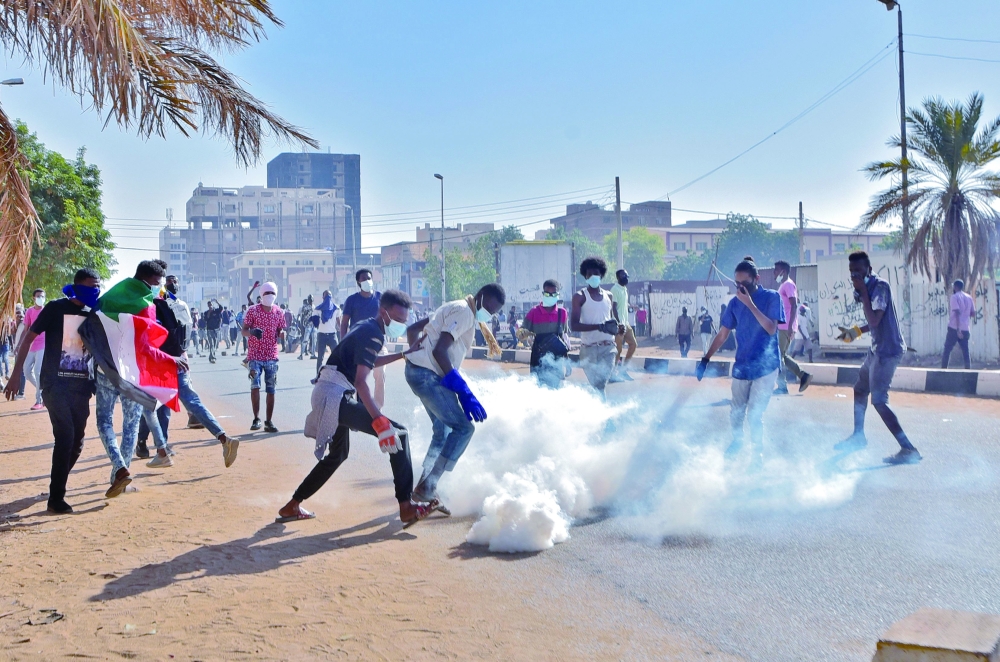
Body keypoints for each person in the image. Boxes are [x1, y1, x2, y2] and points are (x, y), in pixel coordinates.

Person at [277, 290, 438, 526]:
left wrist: (403, 354)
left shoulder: (367, 326)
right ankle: (406, 506)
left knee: (338, 454)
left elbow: (368, 362)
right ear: (384, 313)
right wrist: (379, 420)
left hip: (329, 392)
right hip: (335, 395)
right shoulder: (373, 334)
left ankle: (292, 505)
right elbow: (362, 381)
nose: (402, 324)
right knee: (399, 434)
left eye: (405, 320)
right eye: (399, 320)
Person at [4, 270, 100, 513]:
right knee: (65, 436)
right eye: (91, 286)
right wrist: (16, 375)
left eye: (98, 286)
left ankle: (58, 481)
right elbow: (28, 338)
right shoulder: (55, 308)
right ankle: (56, 498)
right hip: (54, 385)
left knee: (77, 441)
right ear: (77, 287)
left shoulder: (94, 312)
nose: (95, 290)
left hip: (82, 387)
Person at [404, 283, 505, 509]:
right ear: (479, 297)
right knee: (463, 429)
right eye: (488, 308)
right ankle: (428, 486)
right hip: (427, 377)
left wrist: (417, 357)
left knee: (442, 432)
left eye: (493, 312)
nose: (488, 314)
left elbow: (413, 330)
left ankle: (425, 488)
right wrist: (463, 390)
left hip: (420, 373)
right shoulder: (465, 312)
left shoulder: (454, 306)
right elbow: (440, 350)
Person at [136, 273, 238, 467]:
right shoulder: (181, 306)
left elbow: (150, 338)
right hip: (179, 361)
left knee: (152, 406)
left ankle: (156, 448)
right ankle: (224, 438)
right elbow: (184, 336)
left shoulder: (152, 306)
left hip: (162, 363)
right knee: (186, 403)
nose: (170, 284)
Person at [697, 258, 784, 468]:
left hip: (766, 367)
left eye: (745, 284)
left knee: (754, 414)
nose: (741, 288)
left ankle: (757, 456)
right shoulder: (735, 304)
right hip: (742, 366)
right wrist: (705, 358)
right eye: (737, 285)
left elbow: (771, 328)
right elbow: (723, 334)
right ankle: (737, 440)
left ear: (757, 279)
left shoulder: (772, 297)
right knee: (736, 412)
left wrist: (750, 304)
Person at [834, 251, 920, 465]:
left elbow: (874, 320)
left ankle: (908, 449)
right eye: (852, 272)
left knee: (879, 401)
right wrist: (854, 332)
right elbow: (873, 322)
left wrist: (863, 292)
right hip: (876, 349)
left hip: (888, 350)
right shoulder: (862, 289)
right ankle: (858, 436)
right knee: (860, 390)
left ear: (869, 270)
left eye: (859, 271)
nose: (855, 275)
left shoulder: (879, 287)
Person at [571, 257, 622, 397]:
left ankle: (602, 416)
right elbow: (573, 325)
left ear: (601, 275)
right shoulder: (579, 296)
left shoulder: (609, 296)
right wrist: (599, 327)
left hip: (609, 348)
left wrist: (618, 328)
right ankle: (596, 412)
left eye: (596, 274)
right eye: (589, 274)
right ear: (585, 276)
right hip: (588, 349)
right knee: (596, 387)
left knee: (600, 384)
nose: (593, 277)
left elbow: (610, 320)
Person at [242, 281, 287, 432]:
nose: (270, 296)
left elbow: (281, 330)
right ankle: (256, 418)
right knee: (255, 386)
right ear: (261, 295)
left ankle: (269, 421)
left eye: (272, 293)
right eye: (267, 293)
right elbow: (244, 331)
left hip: (272, 356)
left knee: (271, 389)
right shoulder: (252, 311)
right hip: (255, 355)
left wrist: (283, 335)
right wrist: (252, 332)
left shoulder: (279, 312)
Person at [341, 270, 386, 406]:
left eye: (369, 278)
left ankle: (377, 409)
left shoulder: (380, 298)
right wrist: (343, 343)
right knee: (359, 378)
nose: (367, 281)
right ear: (358, 283)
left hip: (378, 344)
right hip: (357, 345)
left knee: (380, 374)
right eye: (364, 279)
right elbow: (344, 323)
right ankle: (358, 409)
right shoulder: (352, 300)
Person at [519, 280, 571, 388]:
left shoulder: (562, 313)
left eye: (554, 294)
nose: (550, 296)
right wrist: (521, 333)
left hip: (557, 359)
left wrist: (567, 363)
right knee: (539, 390)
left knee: (556, 390)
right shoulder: (534, 312)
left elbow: (564, 338)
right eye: (547, 293)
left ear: (558, 295)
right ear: (543, 294)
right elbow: (522, 331)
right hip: (538, 358)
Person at [773, 260, 813, 394]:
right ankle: (803, 375)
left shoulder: (788, 285)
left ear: (783, 271)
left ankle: (783, 386)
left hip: (785, 326)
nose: (774, 272)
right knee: (781, 355)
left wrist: (790, 326)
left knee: (778, 356)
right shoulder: (784, 285)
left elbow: (794, 305)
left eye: (776, 270)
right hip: (783, 326)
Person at [21, 288, 47, 410]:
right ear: (34, 298)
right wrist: (20, 344)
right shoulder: (30, 311)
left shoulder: (47, 311)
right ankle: (44, 391)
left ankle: (39, 400)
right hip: (32, 345)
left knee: (38, 371)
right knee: (26, 371)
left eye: (43, 296)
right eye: (38, 296)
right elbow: (26, 329)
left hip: (44, 344)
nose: (41, 299)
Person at [942, 279, 975, 369]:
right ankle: (968, 371)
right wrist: (965, 317)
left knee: (947, 349)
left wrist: (958, 329)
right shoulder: (969, 297)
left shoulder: (954, 297)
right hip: (965, 328)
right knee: (965, 351)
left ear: (955, 287)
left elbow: (957, 312)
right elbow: (973, 313)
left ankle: (943, 371)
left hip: (954, 328)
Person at [610, 269, 637, 380]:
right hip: (618, 325)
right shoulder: (615, 289)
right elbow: (614, 307)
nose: (626, 278)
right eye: (624, 276)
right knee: (618, 350)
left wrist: (631, 307)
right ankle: (613, 373)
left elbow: (622, 305)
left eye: (627, 276)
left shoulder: (624, 289)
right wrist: (618, 323)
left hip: (626, 323)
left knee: (633, 344)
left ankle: (623, 370)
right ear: (619, 277)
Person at [313, 290, 341, 380]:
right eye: (326, 296)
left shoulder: (336, 308)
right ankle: (318, 376)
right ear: (323, 297)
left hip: (332, 335)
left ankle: (338, 376)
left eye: (329, 295)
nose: (328, 297)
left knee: (337, 355)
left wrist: (341, 328)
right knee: (320, 357)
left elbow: (338, 321)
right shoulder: (317, 309)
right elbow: (315, 322)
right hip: (322, 335)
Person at [297, 295, 316, 361]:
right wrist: (302, 326)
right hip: (307, 325)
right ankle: (301, 354)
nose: (311, 300)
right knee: (305, 340)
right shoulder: (304, 307)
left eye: (311, 299)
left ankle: (313, 354)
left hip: (314, 325)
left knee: (314, 341)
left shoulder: (314, 306)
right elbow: (302, 317)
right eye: (310, 299)